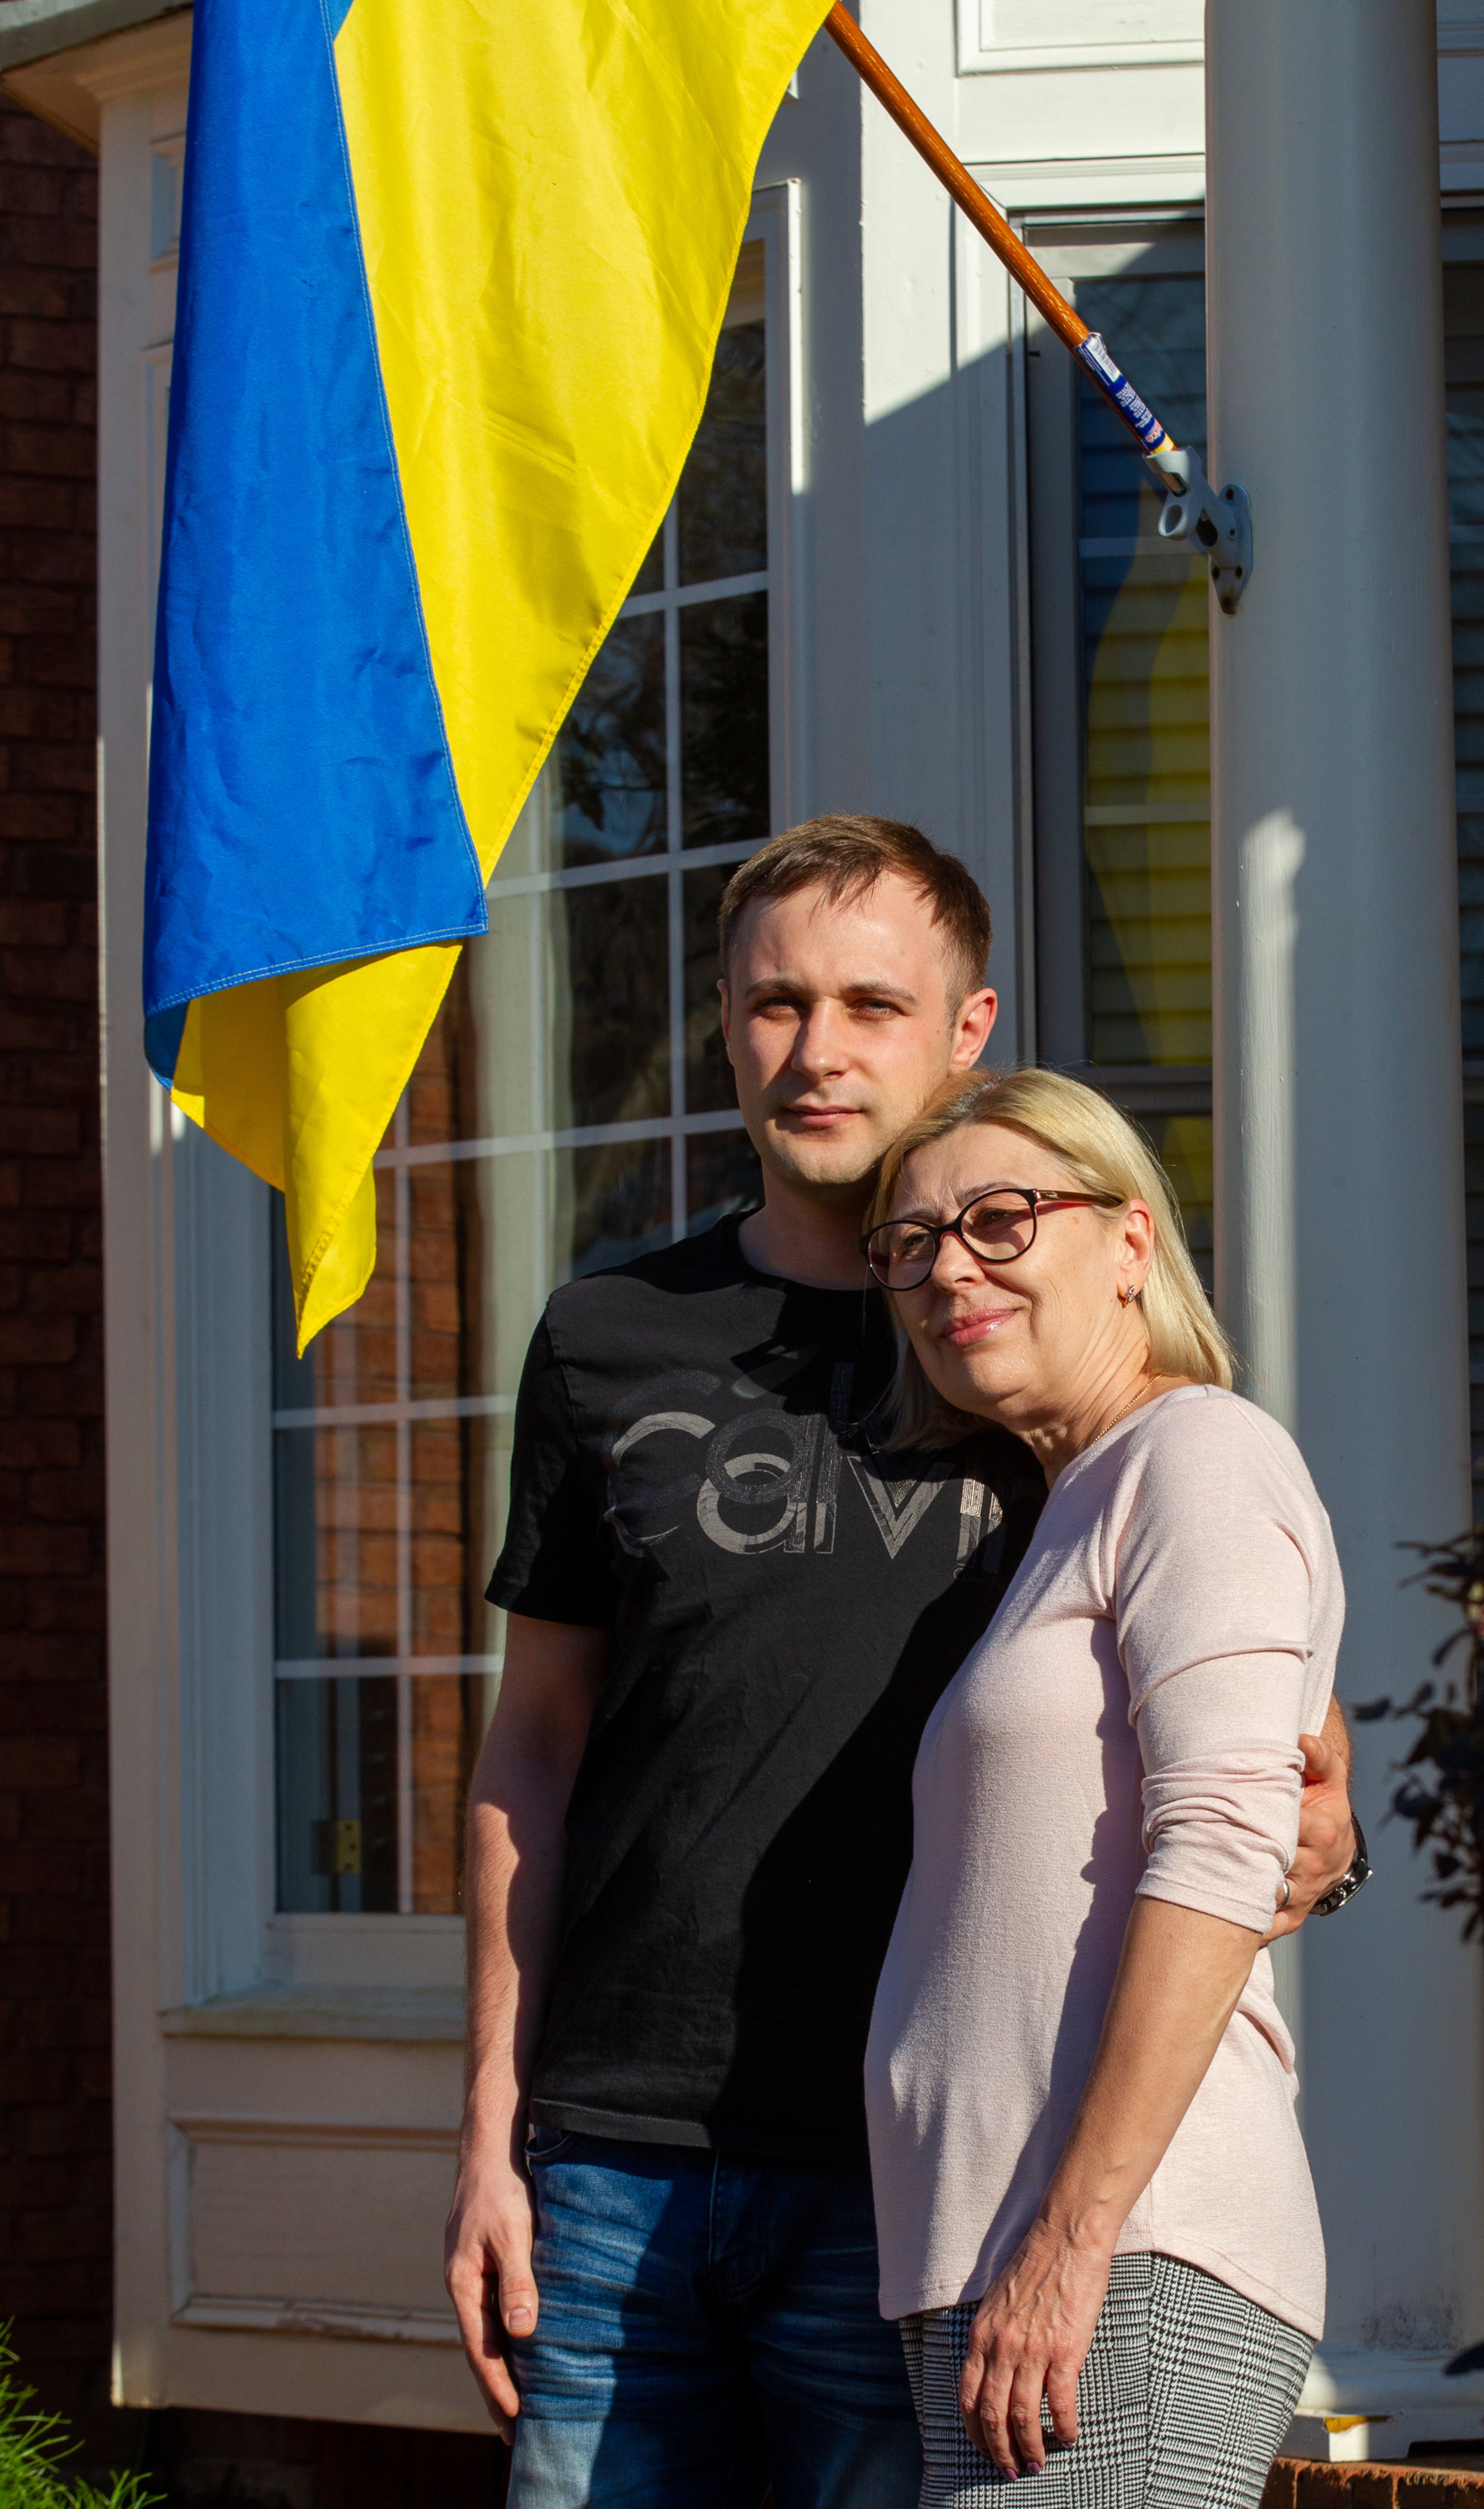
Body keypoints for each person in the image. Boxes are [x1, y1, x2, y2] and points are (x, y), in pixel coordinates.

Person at [445, 818, 1357, 2509]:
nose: (820, 1050)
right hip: (621, 2157)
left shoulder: (1036, 1343)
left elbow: (1242, 1733)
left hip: (931, 2185)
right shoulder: (606, 1336)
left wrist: (1326, 1811)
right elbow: (536, 1751)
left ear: (966, 1030)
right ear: (728, 1026)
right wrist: (492, 2126)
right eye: (776, 1003)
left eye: (873, 1004)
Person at [862, 1067, 1340, 2509]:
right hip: (1017, 2255)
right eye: (912, 1242)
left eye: (1002, 1219)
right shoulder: (1072, 1505)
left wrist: (1072, 2241)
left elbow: (1222, 1840)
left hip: (1117, 2258)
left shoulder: (1199, 1453)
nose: (951, 1269)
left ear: (1131, 1242)